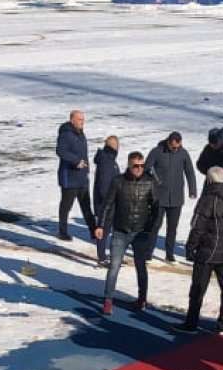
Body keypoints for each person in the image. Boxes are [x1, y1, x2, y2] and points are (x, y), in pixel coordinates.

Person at [174, 166, 223, 334]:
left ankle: (191, 322)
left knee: (198, 287)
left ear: (209, 180)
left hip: (208, 252)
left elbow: (197, 226)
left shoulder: (208, 199)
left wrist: (190, 247)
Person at [95, 151, 159, 316]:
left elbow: (156, 208)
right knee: (114, 266)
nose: (139, 169)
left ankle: (142, 299)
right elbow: (107, 205)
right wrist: (100, 225)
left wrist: (151, 228)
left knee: (140, 267)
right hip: (120, 231)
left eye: (141, 166)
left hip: (140, 233)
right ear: (129, 166)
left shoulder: (150, 182)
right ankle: (108, 300)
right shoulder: (118, 181)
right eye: (135, 166)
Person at [144, 131, 197, 262]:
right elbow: (146, 168)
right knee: (155, 225)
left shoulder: (183, 153)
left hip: (176, 198)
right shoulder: (157, 151)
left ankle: (169, 254)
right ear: (168, 142)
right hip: (159, 197)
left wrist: (192, 189)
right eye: (173, 146)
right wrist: (155, 180)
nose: (175, 149)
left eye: (177, 146)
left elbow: (189, 171)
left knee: (172, 228)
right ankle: (148, 252)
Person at [56, 110, 96, 242]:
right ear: (72, 120)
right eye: (80, 120)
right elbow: (60, 151)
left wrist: (86, 169)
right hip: (70, 178)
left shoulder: (80, 133)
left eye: (83, 120)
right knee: (66, 206)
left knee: (86, 206)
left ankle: (93, 231)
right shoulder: (66, 133)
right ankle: (62, 232)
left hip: (82, 177)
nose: (82, 122)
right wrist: (75, 161)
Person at [93, 135, 120, 266]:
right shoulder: (107, 161)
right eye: (116, 145)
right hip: (106, 204)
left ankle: (105, 256)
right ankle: (102, 257)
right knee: (103, 231)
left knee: (107, 231)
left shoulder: (109, 159)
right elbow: (104, 185)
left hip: (109, 203)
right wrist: (111, 200)